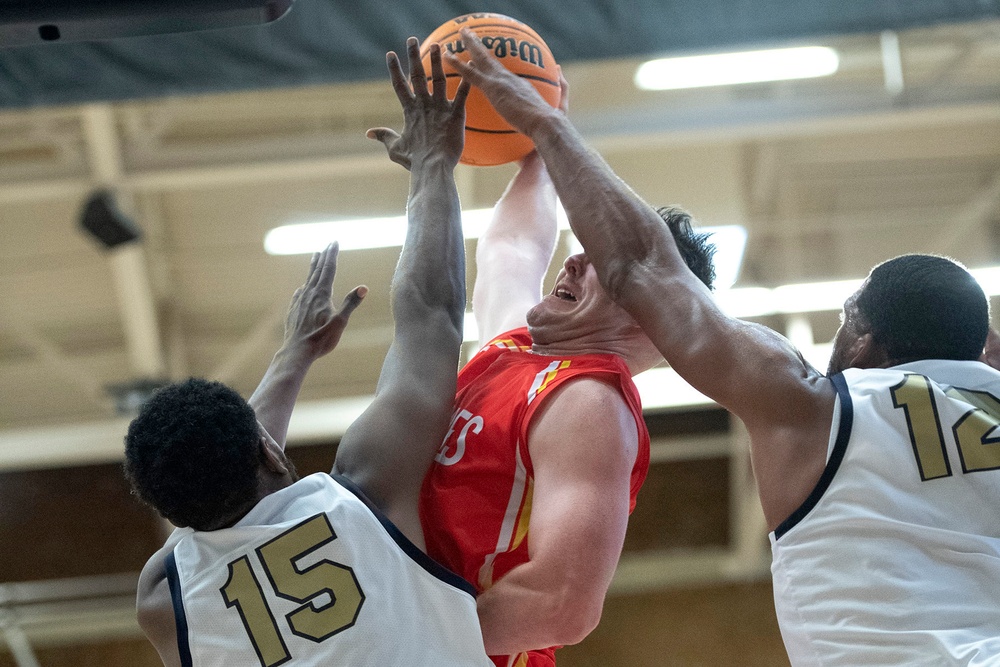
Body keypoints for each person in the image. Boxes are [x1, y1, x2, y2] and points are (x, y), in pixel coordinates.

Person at [447, 27, 1000, 667]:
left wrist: (545, 124)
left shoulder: (814, 405)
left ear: (866, 340)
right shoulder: (518, 345)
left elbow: (640, 265)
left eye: (846, 320)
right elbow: (513, 254)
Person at [126, 40, 493, 666]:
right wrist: (432, 164)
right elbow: (431, 318)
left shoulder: (165, 603)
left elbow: (207, 510)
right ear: (267, 447)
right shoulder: (363, 497)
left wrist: (291, 361)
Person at [417, 86, 716, 666]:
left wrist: (403, 642)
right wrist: (541, 129)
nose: (573, 259)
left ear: (645, 305)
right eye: (580, 246)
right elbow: (511, 244)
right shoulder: (515, 350)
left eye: (600, 260)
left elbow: (561, 603)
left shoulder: (587, 402)